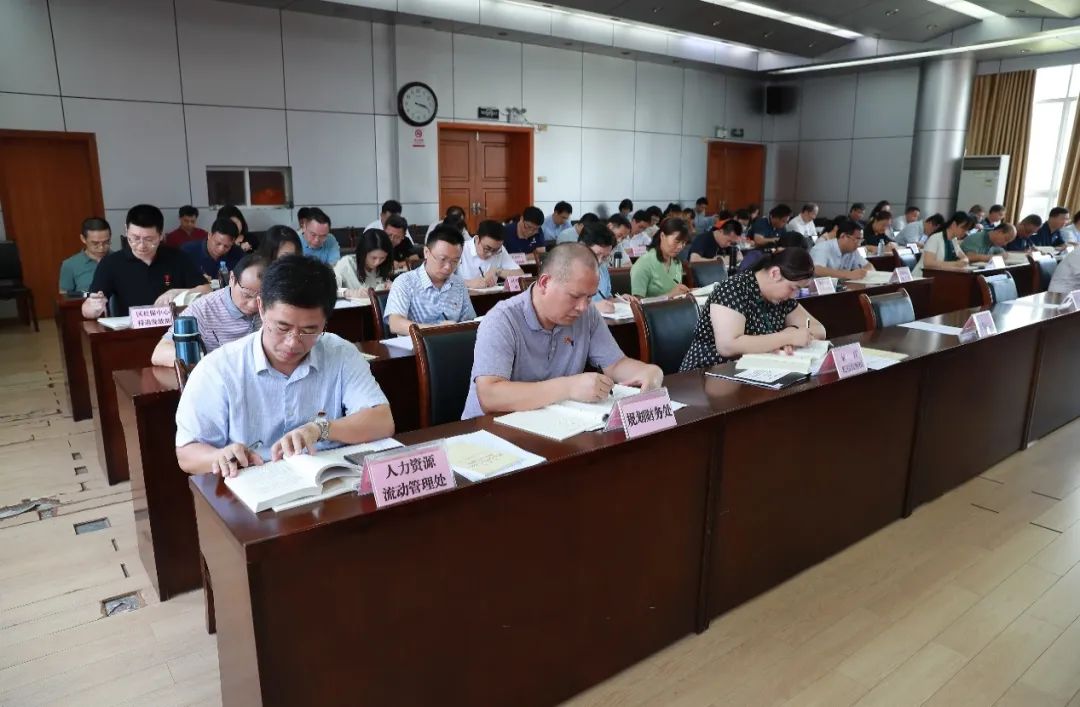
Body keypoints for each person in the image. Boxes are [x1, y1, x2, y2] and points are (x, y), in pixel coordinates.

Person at [174, 256, 394, 476]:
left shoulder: (340, 353)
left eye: (309, 330)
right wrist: (219, 457)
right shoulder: (219, 368)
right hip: (253, 481)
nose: (293, 343)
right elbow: (187, 454)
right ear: (261, 308)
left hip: (330, 480)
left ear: (325, 322)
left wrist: (320, 429)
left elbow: (382, 421)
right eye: (282, 327)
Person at [460, 242, 664, 419]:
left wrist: (649, 372)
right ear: (545, 283)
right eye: (575, 296)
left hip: (552, 424)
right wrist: (568, 387)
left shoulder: (587, 314)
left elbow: (615, 364)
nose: (583, 307)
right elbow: (490, 396)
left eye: (590, 297)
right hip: (490, 432)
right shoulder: (502, 320)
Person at [679, 247, 825, 372]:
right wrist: (786, 337)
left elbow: (819, 329)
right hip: (708, 371)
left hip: (754, 371)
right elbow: (728, 346)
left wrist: (792, 331)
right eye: (793, 288)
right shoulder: (733, 289)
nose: (794, 295)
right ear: (775, 273)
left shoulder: (782, 298)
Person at [82, 204, 208, 318]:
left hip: (174, 329)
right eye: (135, 238)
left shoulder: (177, 257)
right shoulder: (111, 263)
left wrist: (178, 292)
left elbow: (206, 290)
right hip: (132, 332)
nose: (141, 245)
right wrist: (93, 307)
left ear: (161, 235)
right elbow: (87, 309)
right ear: (126, 230)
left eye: (149, 239)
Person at [152, 254, 266, 366]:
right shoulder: (204, 309)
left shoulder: (271, 304)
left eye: (261, 297)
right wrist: (206, 361)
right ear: (232, 279)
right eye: (246, 295)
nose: (253, 305)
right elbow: (160, 353)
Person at [384, 225, 477, 336]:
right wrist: (436, 329)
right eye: (442, 259)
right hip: (416, 345)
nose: (448, 267)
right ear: (426, 252)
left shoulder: (458, 283)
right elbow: (395, 324)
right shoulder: (405, 282)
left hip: (452, 343)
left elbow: (470, 321)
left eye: (455, 261)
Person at [630, 218, 691, 298]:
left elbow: (677, 294)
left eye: (683, 242)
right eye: (676, 242)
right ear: (662, 236)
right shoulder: (643, 263)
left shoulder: (677, 263)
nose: (680, 247)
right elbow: (638, 302)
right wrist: (669, 296)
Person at [457, 219, 524, 288]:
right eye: (487, 249)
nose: (490, 254)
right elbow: (448, 280)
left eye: (495, 250)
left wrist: (497, 271)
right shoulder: (460, 249)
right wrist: (469, 283)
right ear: (477, 239)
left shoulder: (500, 250)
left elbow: (521, 275)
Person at [334, 229, 393, 298]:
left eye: (382, 258)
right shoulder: (346, 263)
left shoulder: (383, 265)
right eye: (374, 258)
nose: (377, 262)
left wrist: (391, 287)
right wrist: (349, 293)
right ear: (363, 253)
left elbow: (384, 283)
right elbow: (328, 290)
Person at [59, 217, 111, 294]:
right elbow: (65, 296)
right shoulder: (69, 265)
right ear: (83, 239)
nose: (101, 247)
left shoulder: (120, 259)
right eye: (95, 243)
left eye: (106, 242)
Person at [913, 211, 973, 276]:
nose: (965, 232)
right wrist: (955, 264)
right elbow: (928, 263)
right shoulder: (935, 238)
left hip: (941, 276)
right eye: (963, 229)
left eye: (967, 230)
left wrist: (964, 261)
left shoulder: (953, 240)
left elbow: (965, 258)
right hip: (923, 277)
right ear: (954, 224)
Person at [578, 222, 619, 312]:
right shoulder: (567, 269)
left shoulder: (603, 268)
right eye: (596, 254)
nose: (599, 261)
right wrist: (594, 307)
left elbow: (606, 297)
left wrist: (619, 300)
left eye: (605, 257)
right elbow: (561, 306)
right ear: (582, 246)